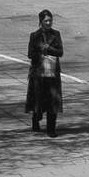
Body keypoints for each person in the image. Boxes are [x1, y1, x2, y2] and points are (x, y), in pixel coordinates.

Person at [26, 9, 64, 137]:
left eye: (50, 20)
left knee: (53, 101)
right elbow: (30, 54)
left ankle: (51, 129)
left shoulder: (56, 34)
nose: (48, 23)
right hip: (39, 73)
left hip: (52, 73)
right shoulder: (34, 35)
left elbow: (60, 52)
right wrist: (41, 53)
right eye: (46, 21)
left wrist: (50, 49)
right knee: (39, 100)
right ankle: (36, 120)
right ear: (41, 22)